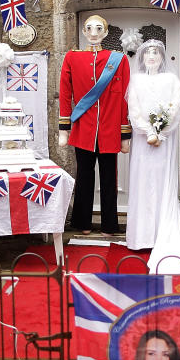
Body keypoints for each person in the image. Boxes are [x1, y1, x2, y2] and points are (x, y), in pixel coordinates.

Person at [125, 39, 180, 274]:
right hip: (143, 141)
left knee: (162, 184)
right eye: (148, 53)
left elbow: (176, 105)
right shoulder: (136, 80)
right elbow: (134, 109)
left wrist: (161, 130)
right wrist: (148, 130)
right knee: (143, 183)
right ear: (141, 57)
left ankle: (162, 233)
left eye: (156, 53)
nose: (151, 56)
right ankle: (142, 237)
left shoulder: (171, 80)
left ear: (162, 57)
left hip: (164, 142)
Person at [58, 15, 131, 235]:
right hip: (83, 128)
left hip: (110, 128)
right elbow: (65, 94)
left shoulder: (118, 59)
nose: (93, 32)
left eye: (99, 28)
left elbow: (125, 97)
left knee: (110, 178)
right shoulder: (72, 57)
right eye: (89, 28)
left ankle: (110, 224)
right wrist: (64, 128)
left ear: (106, 33)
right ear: (83, 31)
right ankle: (82, 222)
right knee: (84, 177)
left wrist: (124, 133)